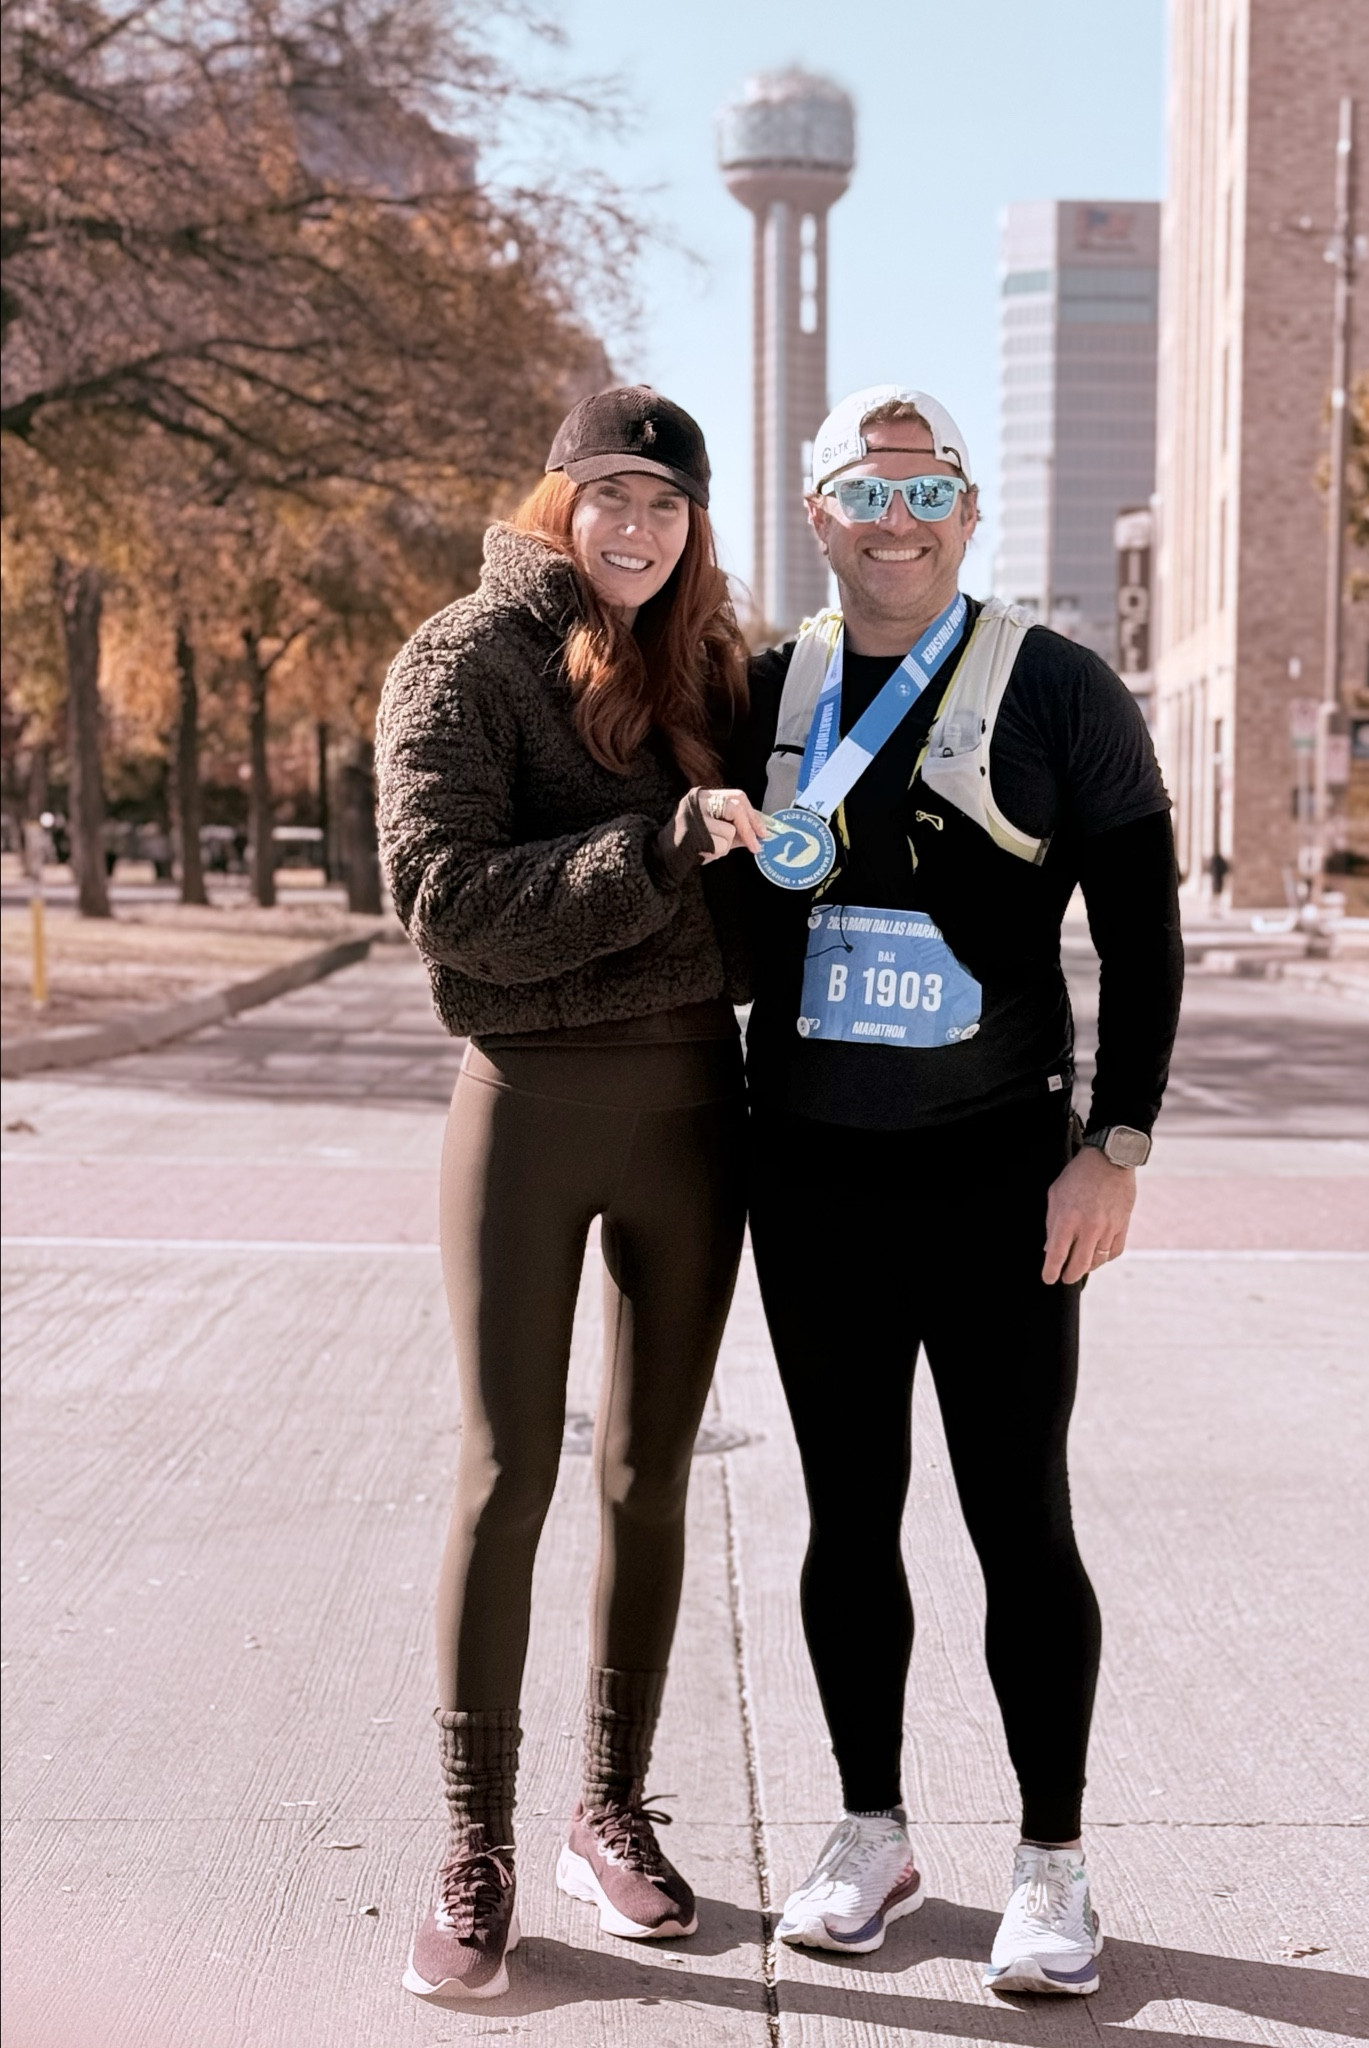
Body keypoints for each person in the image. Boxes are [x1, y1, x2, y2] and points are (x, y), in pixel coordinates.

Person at [726, 386, 1184, 1998]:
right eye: (864, 489)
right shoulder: (755, 687)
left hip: (1001, 1176)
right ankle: (869, 1833)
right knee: (846, 1518)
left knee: (1017, 1522)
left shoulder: (1058, 687)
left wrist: (1110, 1147)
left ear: (968, 515)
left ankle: (1051, 1864)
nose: (896, 518)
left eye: (926, 492)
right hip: (810, 1171)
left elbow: (1139, 937)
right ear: (817, 515)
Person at [376, 387, 765, 2000]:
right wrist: (661, 853)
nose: (636, 527)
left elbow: (773, 898)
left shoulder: (716, 671)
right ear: (554, 498)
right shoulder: (461, 656)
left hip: (694, 1106)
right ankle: (472, 1839)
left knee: (651, 1476)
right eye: (609, 494)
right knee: (504, 1474)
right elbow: (446, 902)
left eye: (664, 504)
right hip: (528, 1103)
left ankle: (607, 1810)